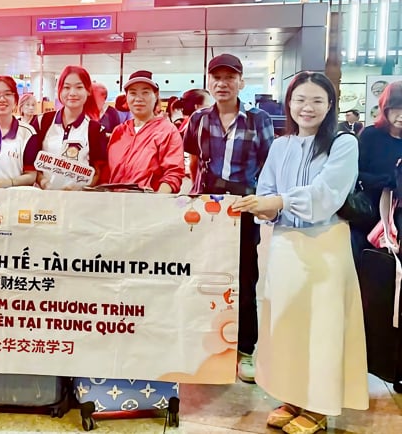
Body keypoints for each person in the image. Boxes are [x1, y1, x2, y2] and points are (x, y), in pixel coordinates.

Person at [232, 72, 368, 434]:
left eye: (317, 100)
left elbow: (327, 195)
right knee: (286, 324)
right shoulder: (281, 145)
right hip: (285, 245)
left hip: (325, 245)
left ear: (330, 105)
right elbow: (266, 189)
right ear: (289, 103)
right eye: (300, 100)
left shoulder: (343, 143)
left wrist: (277, 202)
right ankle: (291, 396)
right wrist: (262, 206)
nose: (307, 108)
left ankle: (318, 406)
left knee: (321, 327)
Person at [183, 53, 273, 384]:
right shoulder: (199, 119)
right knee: (204, 274)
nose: (222, 84)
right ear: (209, 82)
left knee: (245, 278)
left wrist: (260, 200)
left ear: (241, 82)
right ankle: (206, 342)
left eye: (229, 78)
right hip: (207, 209)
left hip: (243, 207)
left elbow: (268, 164)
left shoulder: (258, 119)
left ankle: (245, 349)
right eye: (216, 78)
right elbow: (194, 160)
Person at [23, 65, 107, 190]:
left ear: (88, 91)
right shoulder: (42, 122)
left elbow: (97, 173)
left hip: (78, 199)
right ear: (60, 91)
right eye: (66, 87)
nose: (72, 93)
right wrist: (43, 182)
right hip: (44, 196)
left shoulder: (96, 130)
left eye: (79, 87)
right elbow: (30, 163)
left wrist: (79, 188)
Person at [107, 71, 184, 192]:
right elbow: (107, 172)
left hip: (148, 201)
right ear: (126, 97)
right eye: (133, 93)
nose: (138, 98)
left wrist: (156, 199)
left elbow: (173, 174)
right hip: (114, 201)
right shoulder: (119, 131)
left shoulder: (167, 131)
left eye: (145, 92)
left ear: (155, 96)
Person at [350, 82, 402, 259]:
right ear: (385, 109)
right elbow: (355, 172)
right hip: (369, 211)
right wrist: (384, 181)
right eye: (396, 109)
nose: (401, 115)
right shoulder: (371, 135)